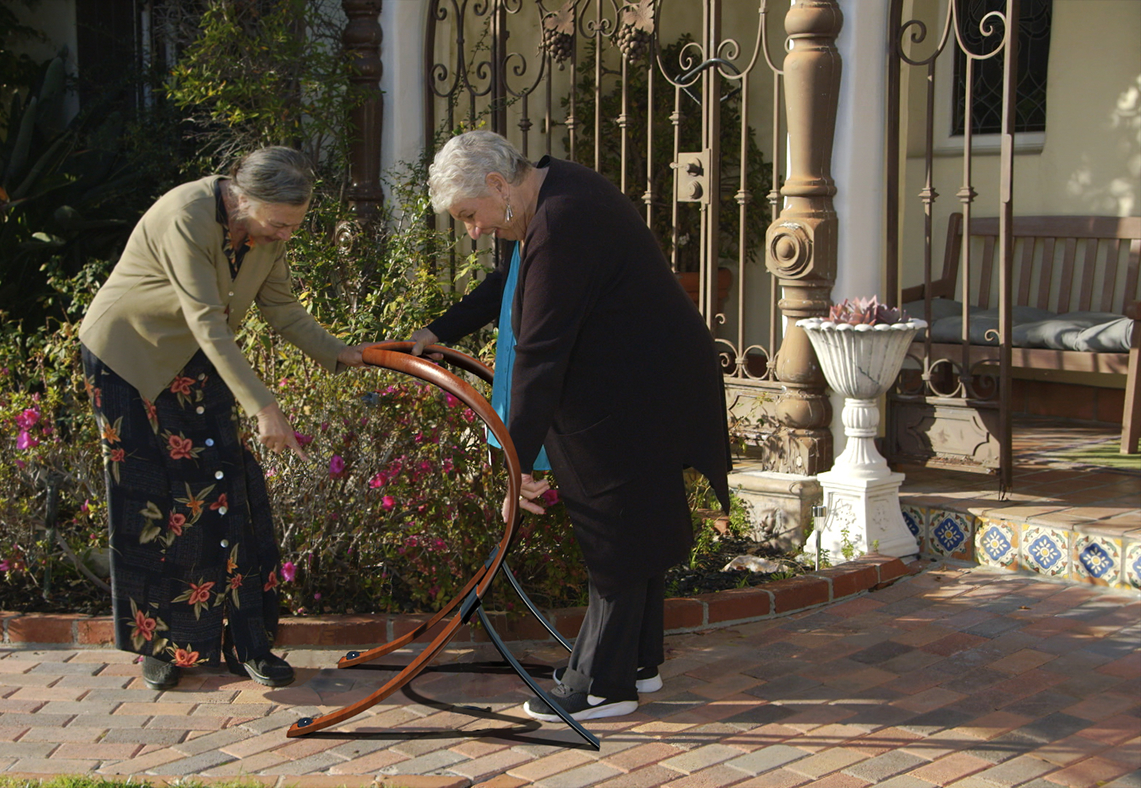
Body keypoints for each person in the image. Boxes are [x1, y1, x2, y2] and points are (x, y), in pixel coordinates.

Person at [410, 130, 730, 722]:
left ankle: (604, 686)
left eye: (469, 215)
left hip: (639, 390)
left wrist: (514, 463)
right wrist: (440, 331)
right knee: (635, 522)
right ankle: (635, 661)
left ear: (497, 185)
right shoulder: (553, 193)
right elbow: (505, 287)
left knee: (613, 526)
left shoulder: (561, 223)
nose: (472, 231)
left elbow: (539, 355)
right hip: (647, 380)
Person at [80, 147, 365, 691]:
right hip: (127, 359)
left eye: (294, 226)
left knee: (227, 488)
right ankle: (162, 648)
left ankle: (248, 644)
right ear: (243, 197)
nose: (285, 235)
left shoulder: (262, 232)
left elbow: (279, 306)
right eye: (280, 222)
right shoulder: (185, 215)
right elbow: (206, 318)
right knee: (151, 502)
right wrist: (264, 406)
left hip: (193, 357)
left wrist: (338, 351)